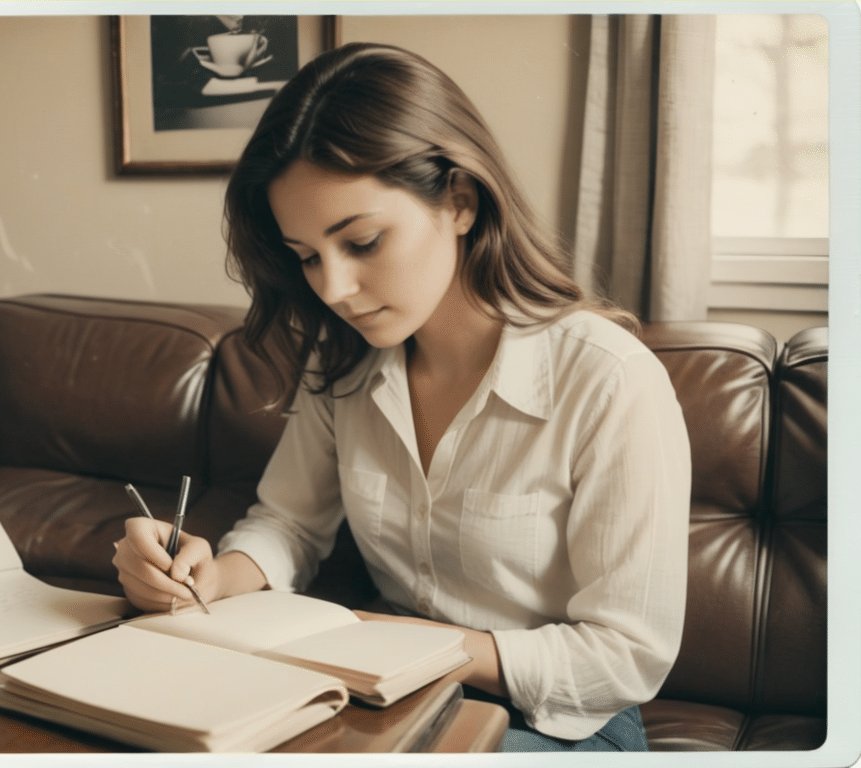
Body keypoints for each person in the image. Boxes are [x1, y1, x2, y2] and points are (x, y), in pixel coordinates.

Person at [111, 42, 691, 752]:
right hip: (380, 685)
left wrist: (419, 643)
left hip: (556, 722)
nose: (331, 289)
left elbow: (625, 656)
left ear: (460, 201)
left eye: (362, 241)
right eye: (306, 257)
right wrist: (207, 575)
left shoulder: (607, 380)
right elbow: (289, 523)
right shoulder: (343, 361)